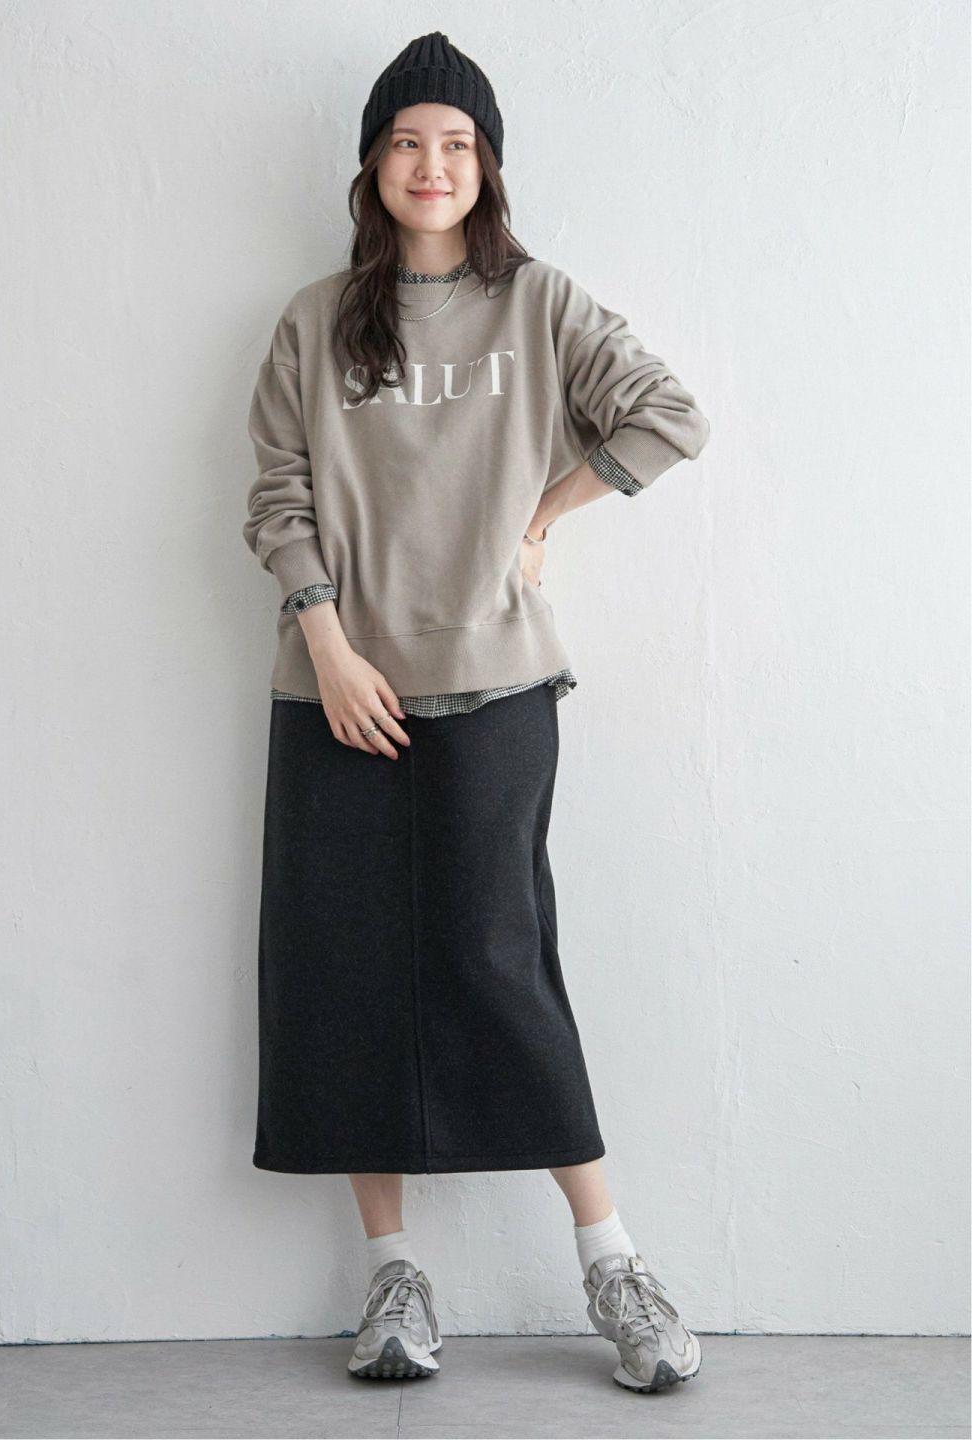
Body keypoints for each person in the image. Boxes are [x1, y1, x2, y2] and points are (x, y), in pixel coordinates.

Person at [242, 30, 709, 1395]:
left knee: (504, 959)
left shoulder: (538, 303)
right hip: (337, 688)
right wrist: (327, 644)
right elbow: (276, 496)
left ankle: (612, 1262)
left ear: (486, 166)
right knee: (343, 972)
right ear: (373, 166)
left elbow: (668, 415)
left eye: (455, 143)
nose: (431, 163)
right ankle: (393, 1277)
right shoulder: (315, 320)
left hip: (499, 682)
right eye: (407, 141)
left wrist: (545, 515)